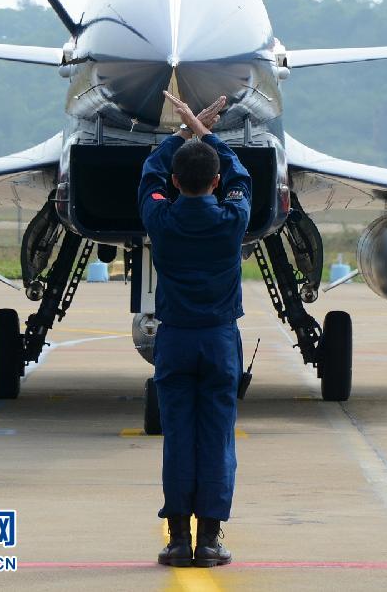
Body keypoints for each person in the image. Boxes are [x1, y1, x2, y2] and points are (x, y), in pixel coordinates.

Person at [138, 90, 252, 568]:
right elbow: (241, 176)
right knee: (217, 438)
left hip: (176, 340)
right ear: (216, 181)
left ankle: (178, 539)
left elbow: (149, 174)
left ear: (176, 180)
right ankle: (210, 540)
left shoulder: (160, 217)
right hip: (220, 339)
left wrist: (181, 133)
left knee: (178, 438)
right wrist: (207, 133)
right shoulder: (233, 218)